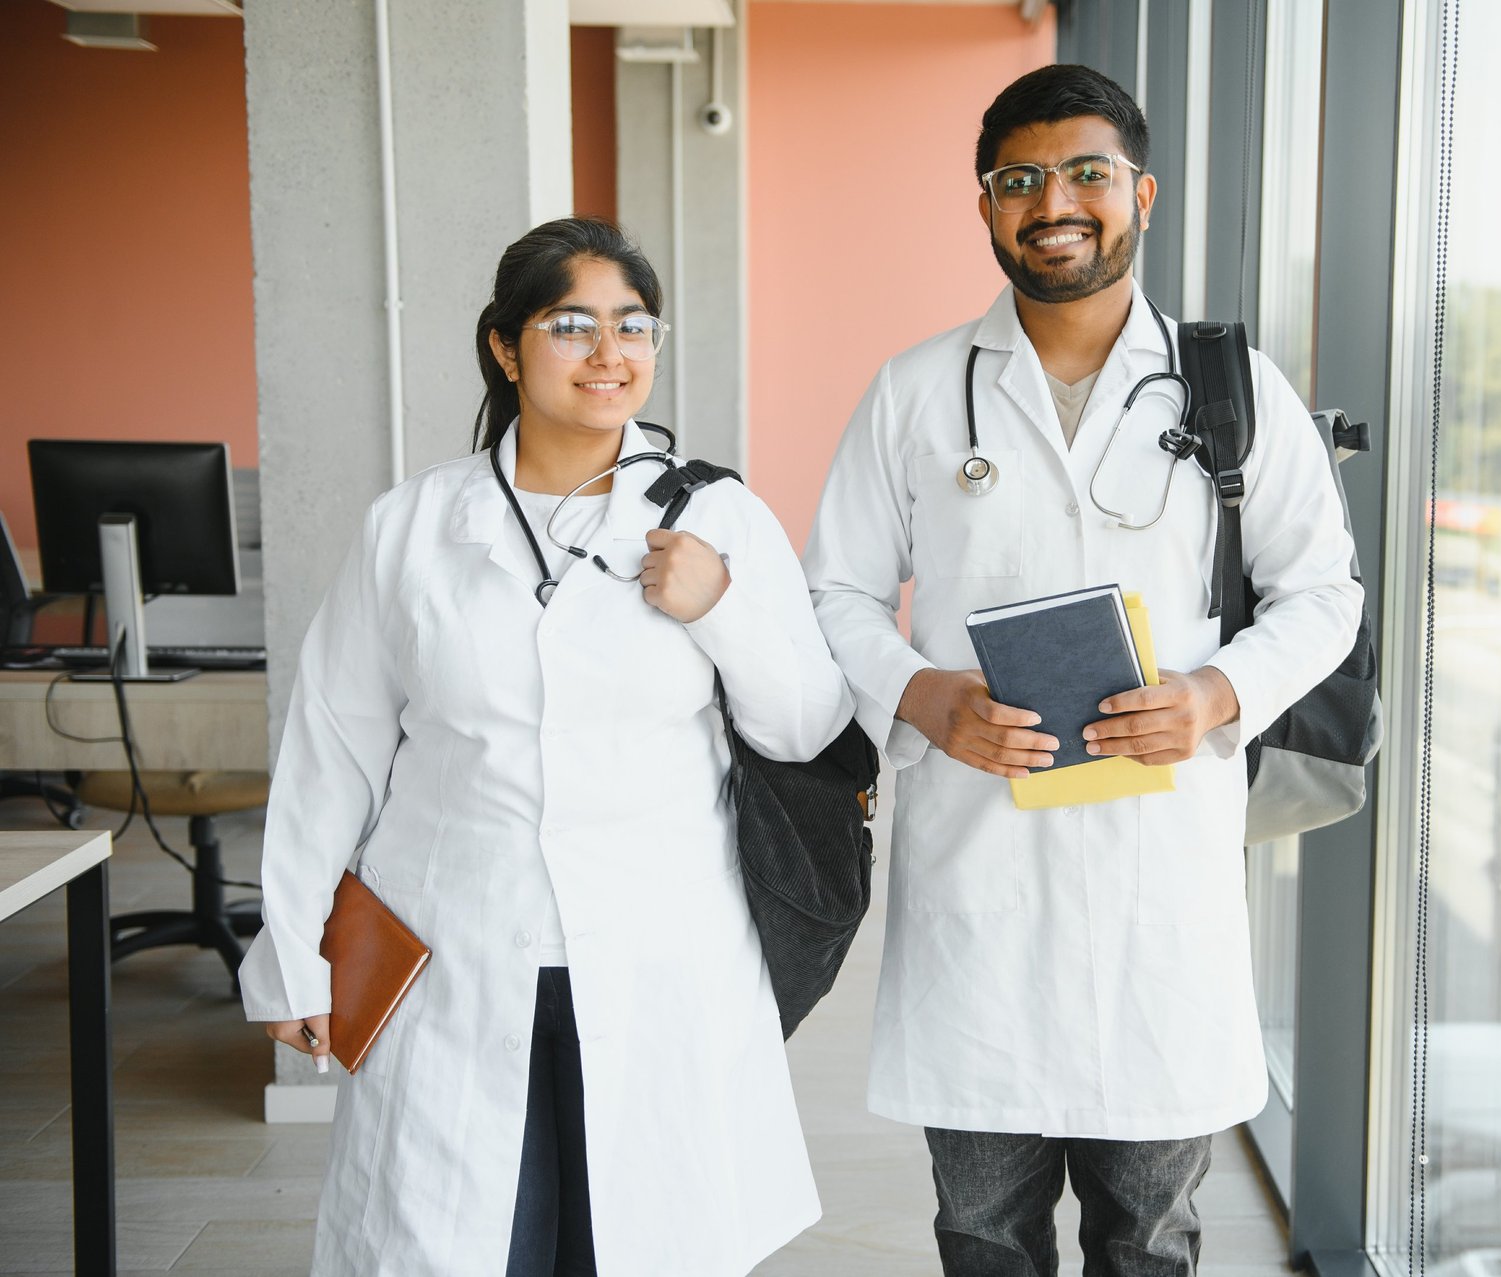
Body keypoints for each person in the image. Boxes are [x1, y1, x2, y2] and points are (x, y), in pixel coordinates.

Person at [803, 65, 1364, 1275]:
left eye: (1085, 173)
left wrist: (1216, 695)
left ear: (1141, 193)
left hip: (1158, 876)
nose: (1052, 200)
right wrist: (920, 694)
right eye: (1019, 179)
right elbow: (833, 594)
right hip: (979, 869)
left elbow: (1325, 594)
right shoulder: (915, 390)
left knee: (1150, 1234)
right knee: (983, 1232)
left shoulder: (1234, 391)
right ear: (987, 205)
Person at [239, 216, 851, 1276]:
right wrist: (290, 951)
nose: (610, 354)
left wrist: (719, 607)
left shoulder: (719, 518)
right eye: (573, 326)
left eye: (634, 326)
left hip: (662, 943)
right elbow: (330, 750)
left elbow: (801, 727)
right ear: (505, 347)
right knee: (469, 1239)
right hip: (455, 942)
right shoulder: (414, 526)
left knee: (642, 1237)